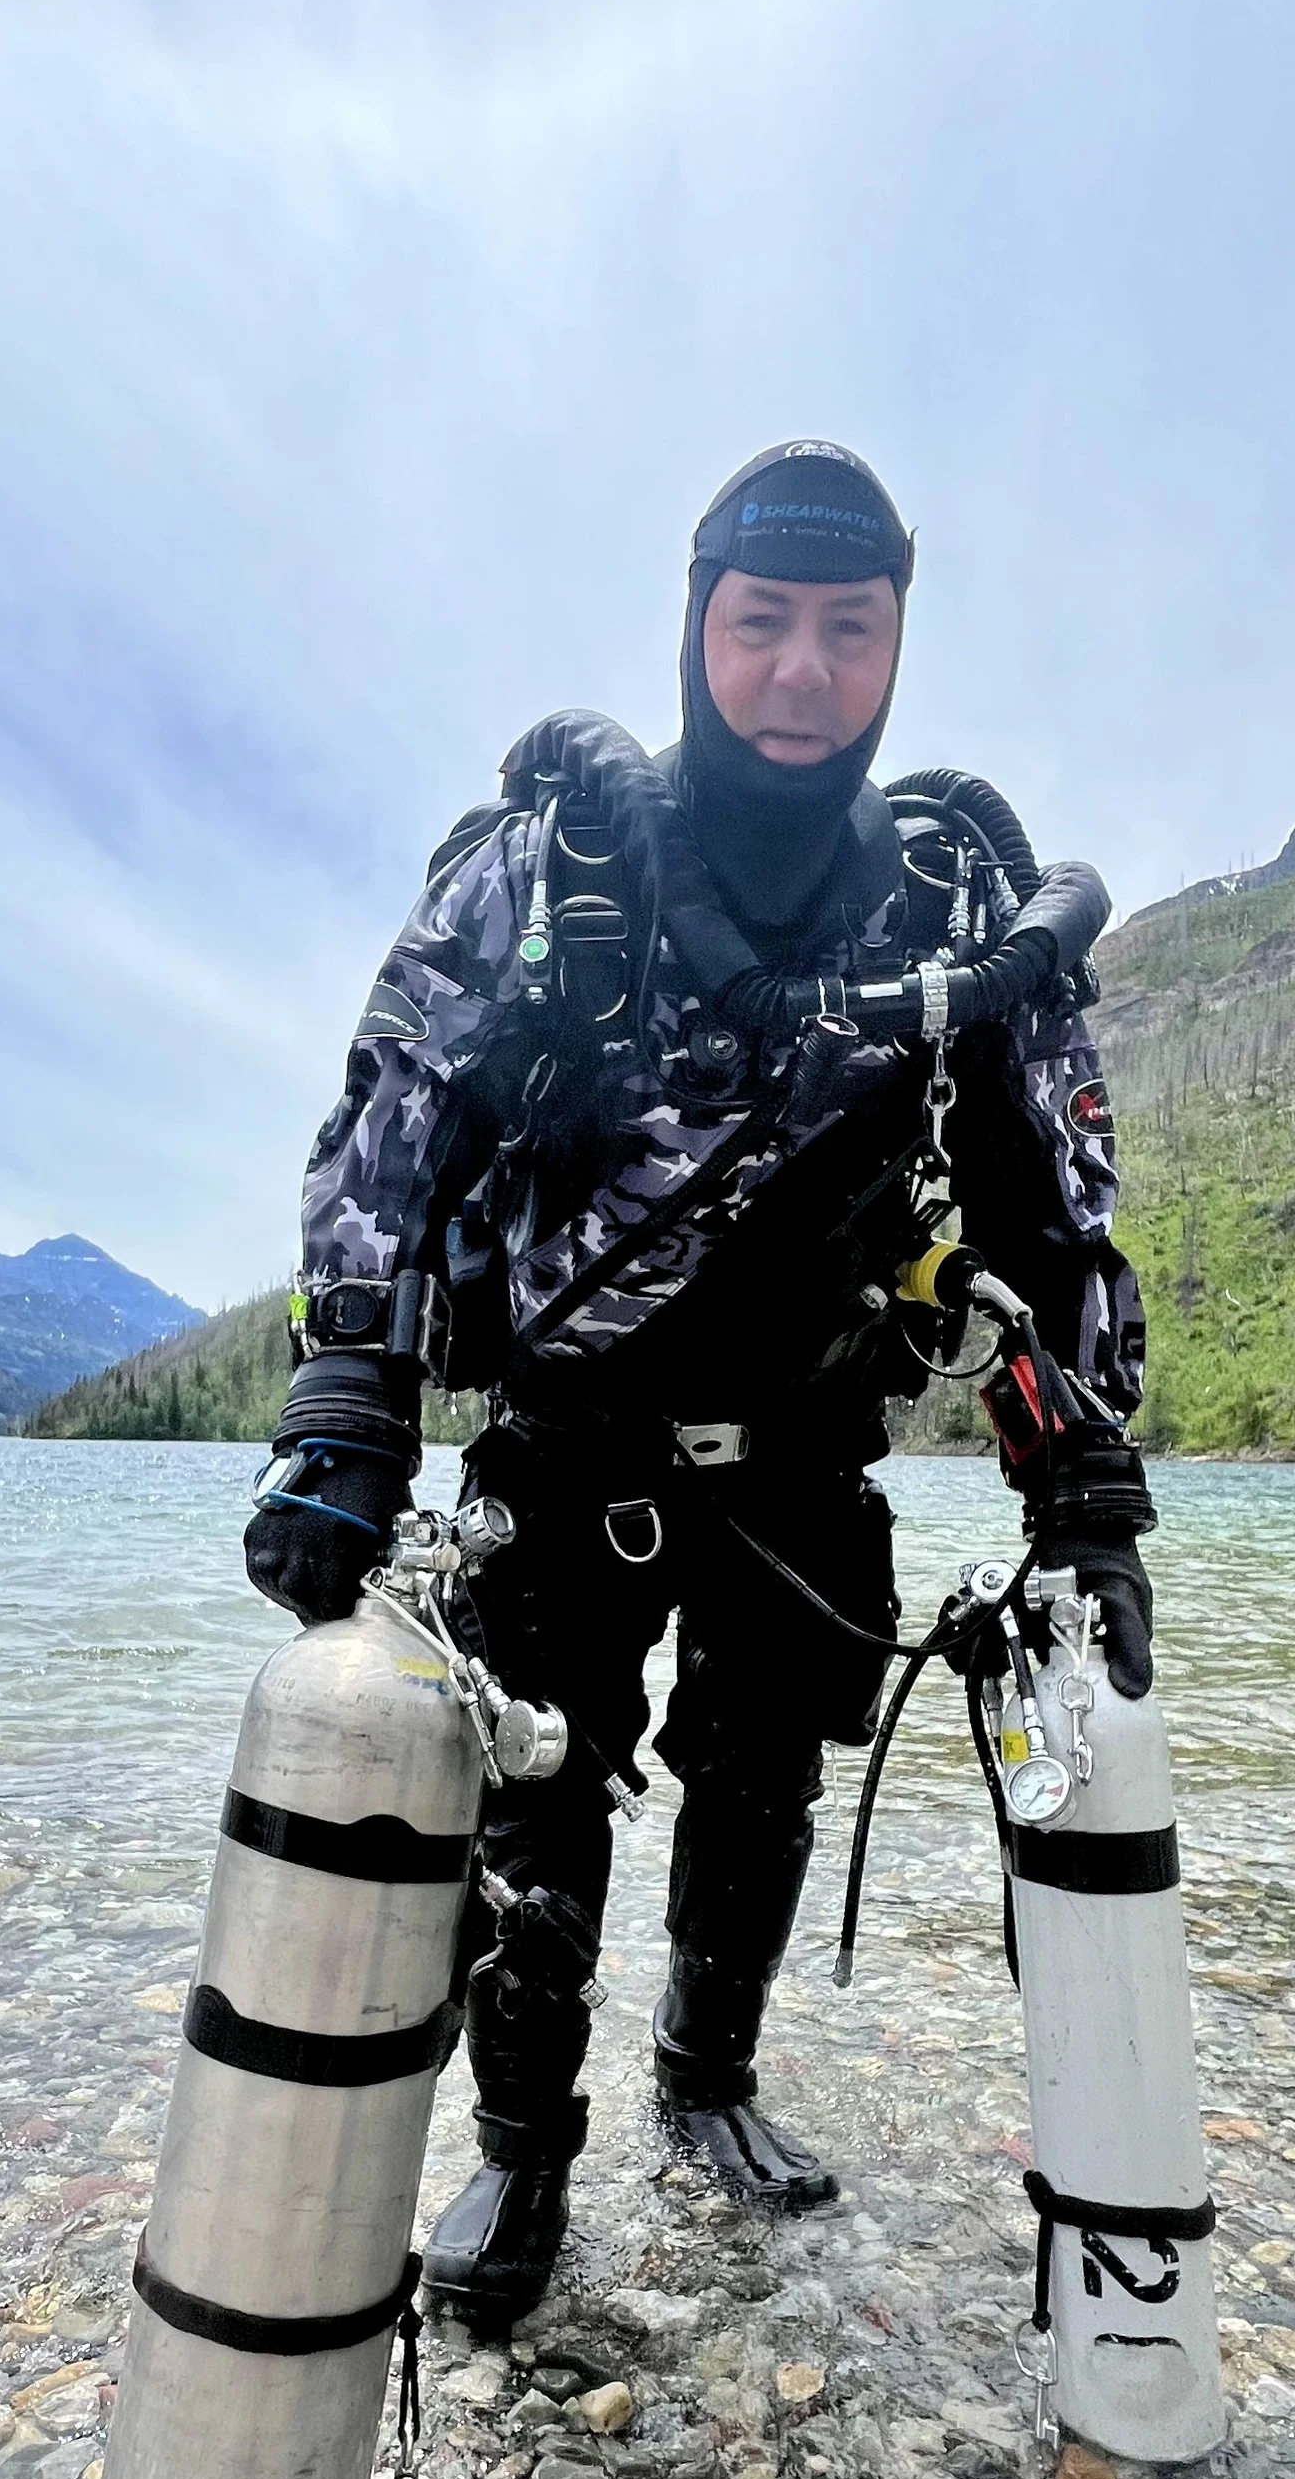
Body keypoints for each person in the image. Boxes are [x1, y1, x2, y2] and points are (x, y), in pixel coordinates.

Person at [245, 441, 1154, 2326]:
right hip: (564, 1441)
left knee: (761, 1784)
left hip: (806, 1449)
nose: (803, 672)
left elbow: (1048, 1205)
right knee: (531, 1800)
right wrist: (347, 1405)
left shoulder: (956, 912)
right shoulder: (557, 864)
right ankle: (520, 2145)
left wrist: (1088, 1486)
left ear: (899, 643)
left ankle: (708, 2077)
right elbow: (393, 1119)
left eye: (849, 629)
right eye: (762, 627)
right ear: (696, 629)